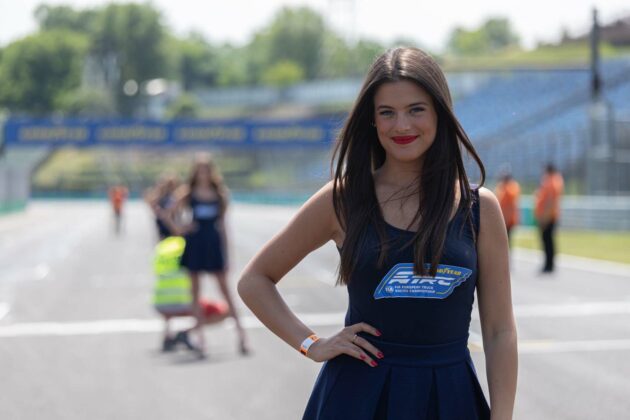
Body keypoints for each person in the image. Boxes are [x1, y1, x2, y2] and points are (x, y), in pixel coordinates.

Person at [238, 47, 517, 419]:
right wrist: (311, 344)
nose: (401, 125)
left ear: (439, 112)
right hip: (357, 397)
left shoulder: (479, 208)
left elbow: (499, 331)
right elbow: (254, 280)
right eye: (387, 112)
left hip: (450, 397)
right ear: (371, 120)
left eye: (416, 109)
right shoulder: (343, 199)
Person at [163, 154, 249, 356]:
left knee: (226, 292)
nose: (203, 174)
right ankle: (200, 341)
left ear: (211, 172)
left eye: (206, 170)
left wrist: (227, 254)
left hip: (213, 245)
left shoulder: (220, 194)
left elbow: (224, 226)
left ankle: (242, 337)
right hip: (195, 245)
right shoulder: (188, 192)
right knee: (195, 294)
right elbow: (167, 213)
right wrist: (181, 228)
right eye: (199, 170)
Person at [153, 236, 230, 353]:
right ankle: (188, 333)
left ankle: (167, 336)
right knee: (224, 310)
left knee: (177, 297)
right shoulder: (190, 244)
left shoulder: (162, 247)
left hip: (160, 304)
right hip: (185, 303)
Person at [534, 163, 564, 273]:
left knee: (548, 241)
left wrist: (544, 217)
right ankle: (548, 264)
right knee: (547, 241)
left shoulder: (552, 182)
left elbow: (550, 202)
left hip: (548, 217)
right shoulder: (552, 181)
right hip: (548, 216)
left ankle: (549, 265)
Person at [145, 174, 180, 241]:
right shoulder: (161, 195)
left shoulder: (175, 196)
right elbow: (151, 203)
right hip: (163, 224)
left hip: (171, 223)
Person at [495, 170, 521, 248]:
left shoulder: (511, 187)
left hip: (508, 219)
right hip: (504, 218)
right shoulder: (503, 187)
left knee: (506, 239)